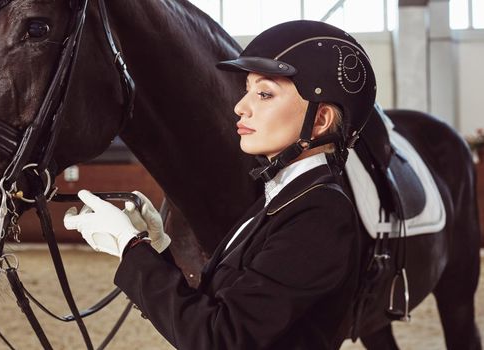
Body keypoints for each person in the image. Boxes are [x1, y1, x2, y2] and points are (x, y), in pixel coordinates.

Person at [64, 20, 376, 350]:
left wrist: (130, 248)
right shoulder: (281, 198)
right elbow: (216, 312)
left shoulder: (320, 213)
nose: (241, 107)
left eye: (265, 94)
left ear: (320, 120)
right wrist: (155, 251)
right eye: (247, 91)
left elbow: (219, 340)